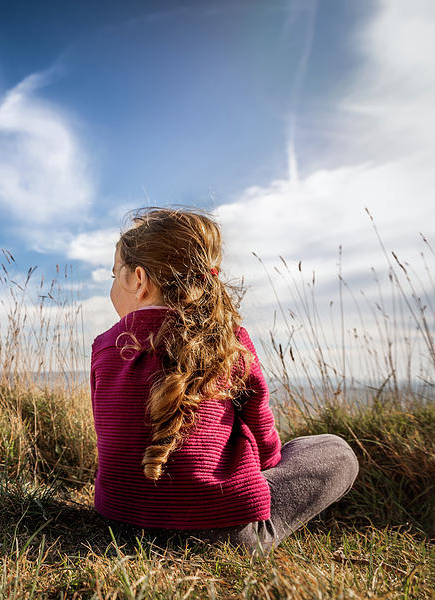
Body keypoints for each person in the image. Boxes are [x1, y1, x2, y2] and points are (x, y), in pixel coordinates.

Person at [90, 207, 359, 556]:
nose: (112, 285)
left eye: (114, 275)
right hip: (222, 533)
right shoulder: (229, 340)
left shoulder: (103, 347)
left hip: (119, 523)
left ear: (138, 280)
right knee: (336, 450)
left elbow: (112, 437)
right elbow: (265, 441)